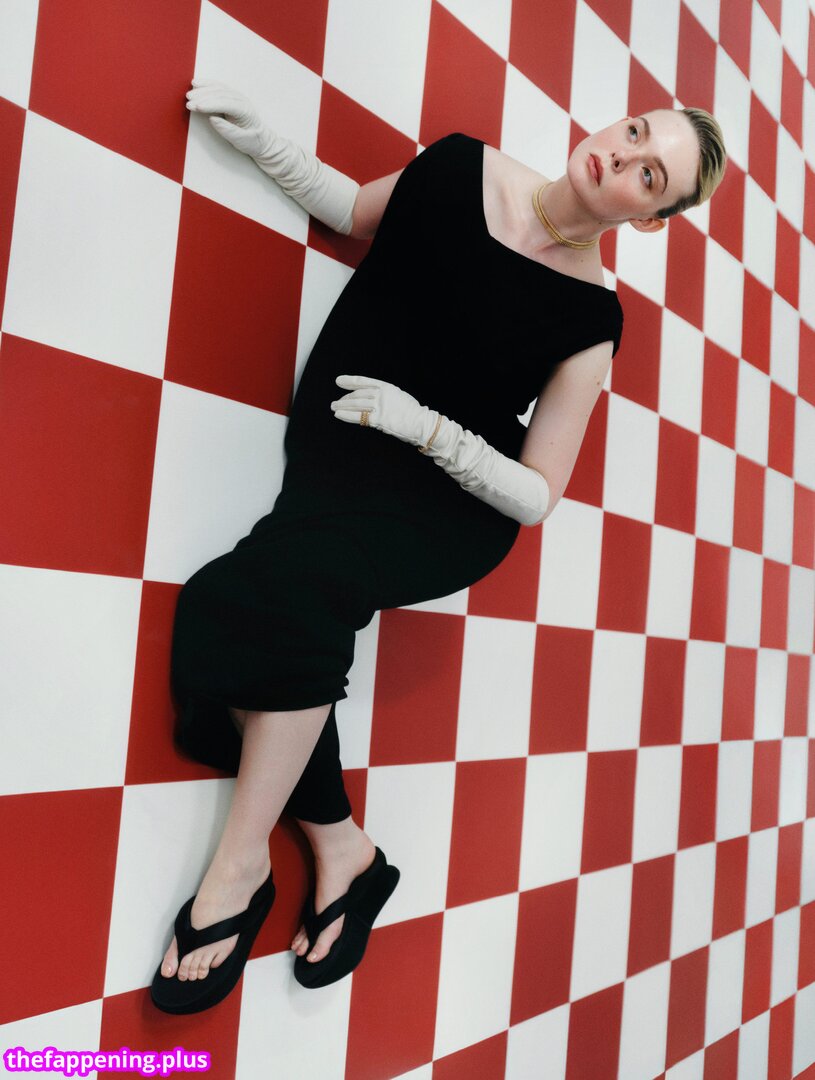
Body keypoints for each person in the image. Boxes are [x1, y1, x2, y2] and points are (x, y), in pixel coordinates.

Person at [150, 79, 727, 1014]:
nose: (621, 156)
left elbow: (537, 495)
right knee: (252, 603)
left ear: (650, 219)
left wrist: (430, 431)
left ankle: (238, 866)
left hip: (446, 503)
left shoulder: (593, 321)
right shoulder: (461, 163)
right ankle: (344, 851)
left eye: (649, 174)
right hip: (343, 438)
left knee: (282, 596)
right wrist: (264, 141)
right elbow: (352, 210)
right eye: (633, 132)